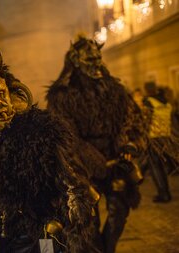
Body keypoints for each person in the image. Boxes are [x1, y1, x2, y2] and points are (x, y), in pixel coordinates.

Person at [0, 30, 98, 253]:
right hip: (8, 230)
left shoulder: (40, 131)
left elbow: (71, 179)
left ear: (12, 94)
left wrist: (74, 219)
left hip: (47, 227)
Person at [46, 36, 146, 253]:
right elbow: (67, 136)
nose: (96, 62)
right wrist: (95, 162)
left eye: (97, 57)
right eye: (89, 58)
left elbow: (131, 120)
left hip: (115, 157)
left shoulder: (115, 90)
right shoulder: (62, 96)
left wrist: (128, 145)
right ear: (76, 60)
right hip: (81, 165)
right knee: (89, 223)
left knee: (119, 214)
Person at [142, 81, 179, 202]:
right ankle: (165, 192)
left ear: (147, 90)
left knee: (155, 167)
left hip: (153, 139)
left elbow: (145, 120)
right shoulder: (166, 101)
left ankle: (164, 194)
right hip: (167, 137)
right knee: (164, 166)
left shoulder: (148, 101)